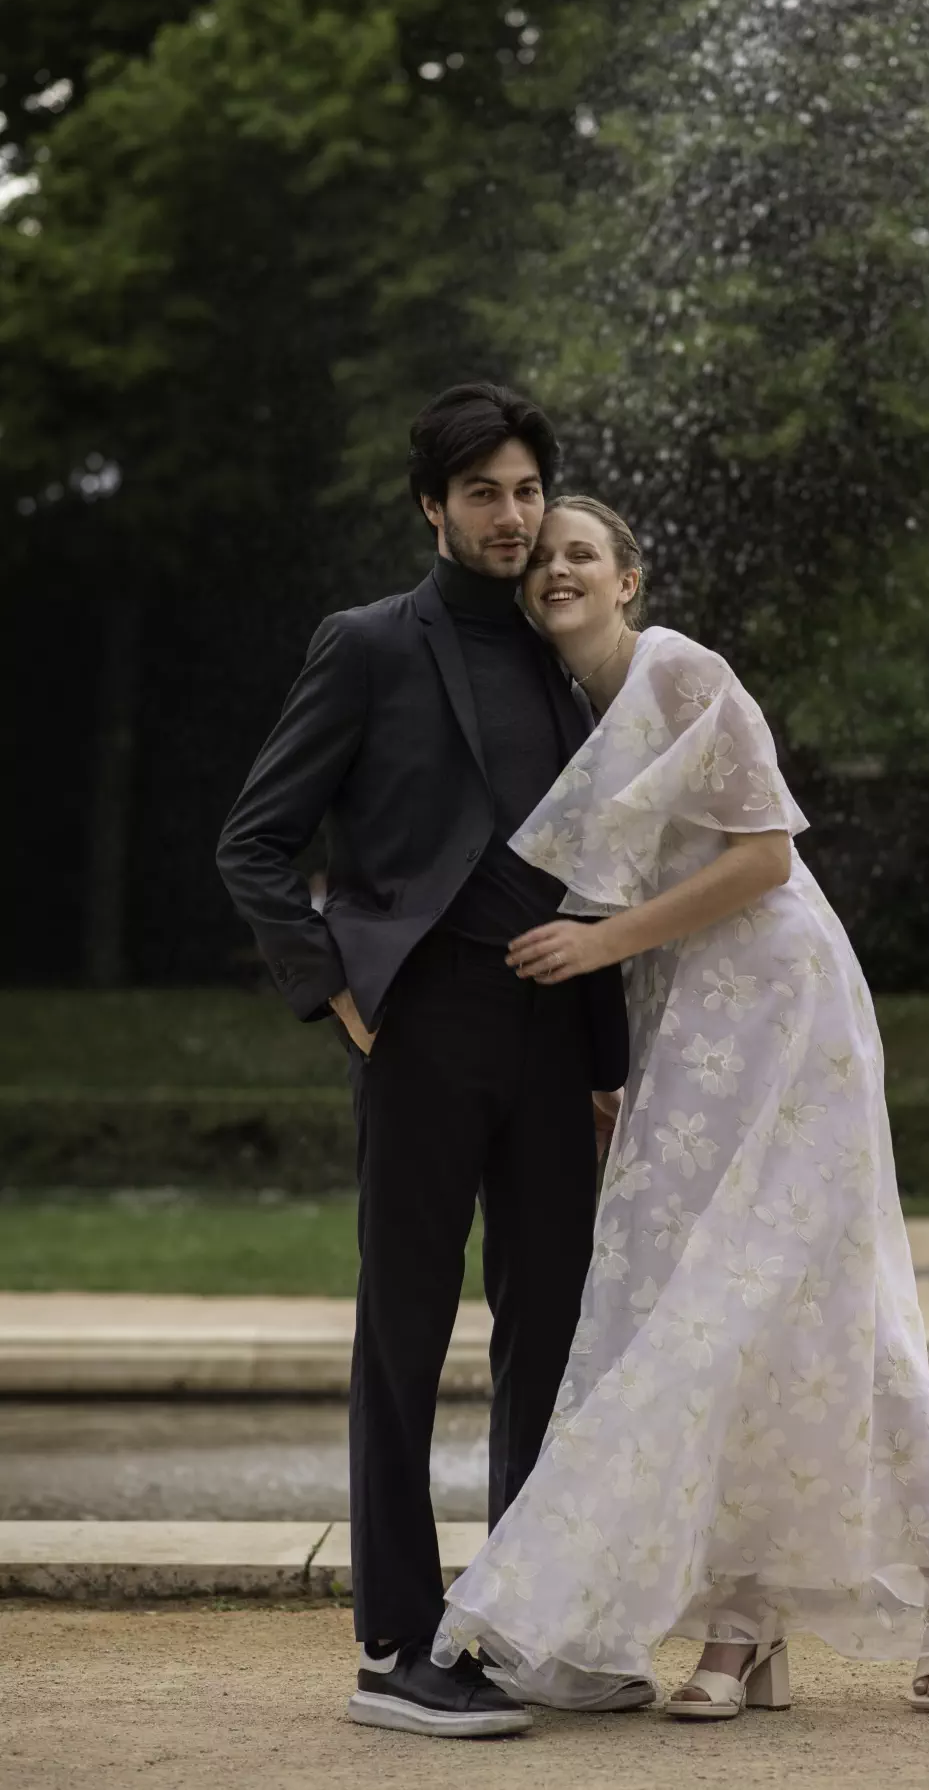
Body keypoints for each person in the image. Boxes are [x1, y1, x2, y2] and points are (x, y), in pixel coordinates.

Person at [432, 496, 929, 1718]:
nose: (555, 571)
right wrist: (615, 1053)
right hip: (683, 1022)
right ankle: (742, 1626)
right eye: (540, 561)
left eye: (579, 553)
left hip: (785, 1004)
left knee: (776, 1291)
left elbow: (761, 853)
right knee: (707, 1303)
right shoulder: (572, 713)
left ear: (629, 577)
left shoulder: (681, 668)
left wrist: (594, 951)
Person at [216, 386, 630, 1739]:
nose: (513, 518)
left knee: (550, 1333)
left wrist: (608, 1059)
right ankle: (397, 1642)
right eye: (485, 495)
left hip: (559, 1030)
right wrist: (338, 988)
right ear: (431, 508)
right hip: (422, 1021)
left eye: (527, 492)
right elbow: (255, 842)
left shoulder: (565, 651)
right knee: (403, 1334)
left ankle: (514, 1622)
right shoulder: (370, 645)